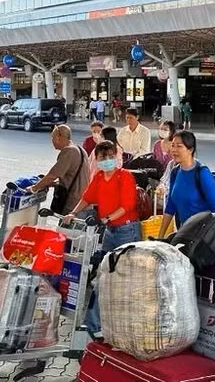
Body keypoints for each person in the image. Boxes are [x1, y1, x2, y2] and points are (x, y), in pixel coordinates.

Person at [64, 140, 141, 336]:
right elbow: (87, 198)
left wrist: (106, 218)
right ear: (96, 159)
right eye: (102, 157)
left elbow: (128, 205)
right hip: (110, 231)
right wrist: (72, 214)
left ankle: (116, 323)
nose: (106, 160)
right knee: (103, 276)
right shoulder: (99, 177)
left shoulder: (124, 177)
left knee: (122, 277)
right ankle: (96, 325)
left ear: (116, 156)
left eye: (110, 156)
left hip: (127, 231)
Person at [159, 131, 215, 237]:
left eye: (179, 146)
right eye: (173, 145)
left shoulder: (202, 173)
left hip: (202, 237)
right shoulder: (175, 172)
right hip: (184, 233)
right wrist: (160, 236)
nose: (174, 150)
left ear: (190, 149)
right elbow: (171, 205)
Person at [29, 125, 91, 215]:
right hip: (83, 203)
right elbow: (73, 177)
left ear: (58, 138)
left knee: (65, 228)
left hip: (73, 205)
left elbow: (52, 175)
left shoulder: (69, 151)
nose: (52, 141)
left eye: (52, 137)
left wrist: (34, 188)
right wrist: (52, 184)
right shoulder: (80, 150)